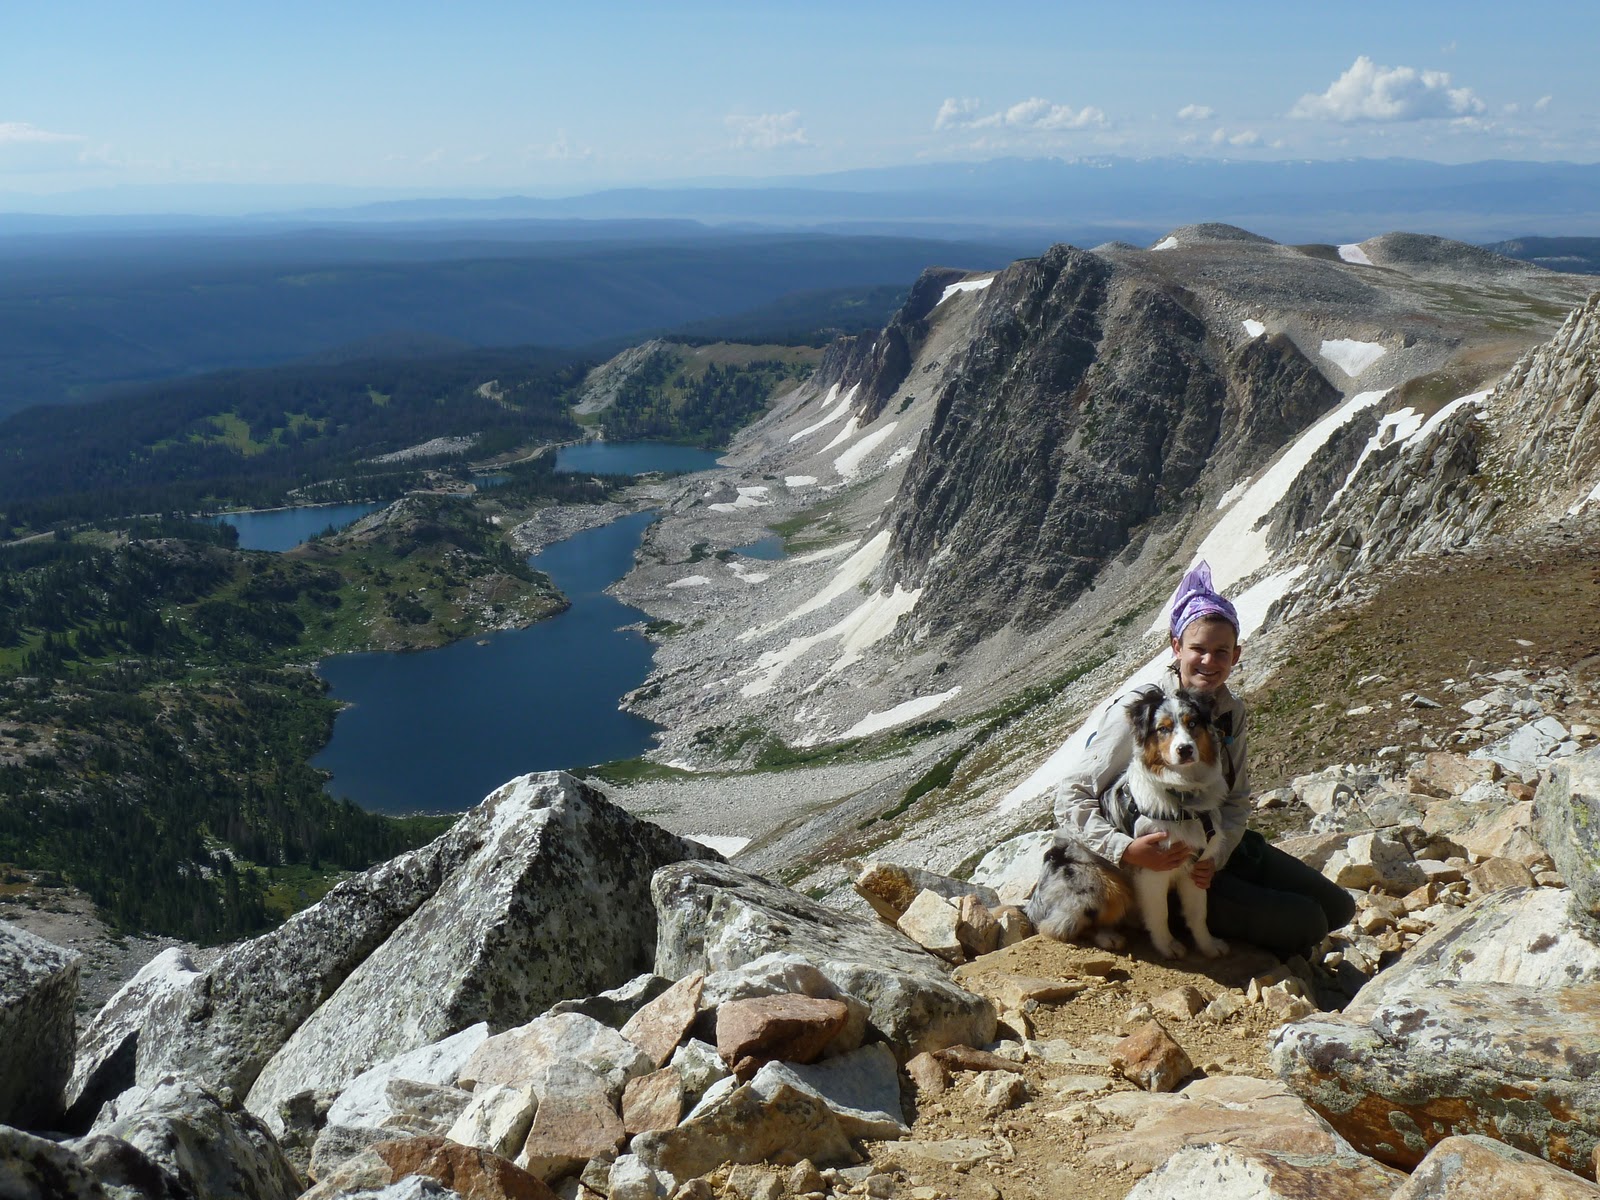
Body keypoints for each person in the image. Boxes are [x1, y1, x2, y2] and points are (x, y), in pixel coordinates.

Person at [1053, 560, 1355, 959]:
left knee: (1339, 908)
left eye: (1221, 651)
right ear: (1176, 647)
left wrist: (1218, 857)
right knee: (1308, 923)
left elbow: (1237, 797)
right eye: (1198, 649)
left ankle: (1207, 900)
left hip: (1212, 846)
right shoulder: (1142, 708)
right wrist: (1124, 850)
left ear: (1236, 654)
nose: (1209, 662)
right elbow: (1070, 794)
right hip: (1154, 857)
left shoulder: (1231, 710)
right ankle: (1161, 914)